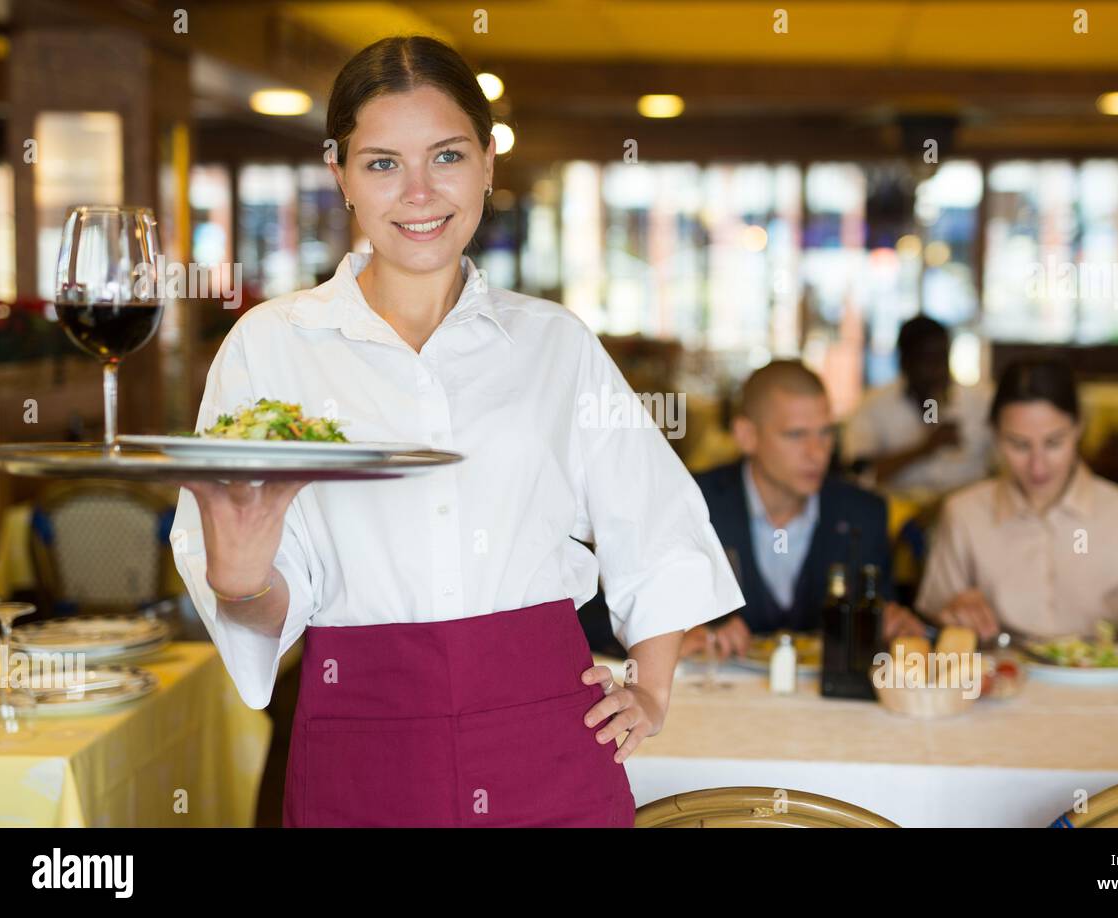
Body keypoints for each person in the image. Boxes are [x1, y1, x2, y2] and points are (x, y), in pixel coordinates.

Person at [168, 35, 742, 828]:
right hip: (359, 730)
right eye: (381, 163)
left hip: (550, 731)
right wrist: (240, 583)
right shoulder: (271, 348)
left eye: (446, 156)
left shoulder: (554, 343)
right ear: (339, 174)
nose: (418, 192)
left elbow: (655, 520)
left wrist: (651, 684)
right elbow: (264, 600)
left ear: (487, 164)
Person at [915, 359, 1118, 653]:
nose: (1038, 466)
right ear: (994, 434)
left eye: (1054, 443)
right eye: (1018, 444)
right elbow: (933, 626)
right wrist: (952, 614)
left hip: (1107, 688)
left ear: (1079, 428)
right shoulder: (963, 512)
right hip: (1001, 686)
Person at [681, 361, 927, 659]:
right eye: (796, 435)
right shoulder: (691, 504)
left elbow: (883, 621)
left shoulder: (863, 513)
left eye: (825, 433)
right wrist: (677, 638)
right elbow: (619, 619)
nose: (817, 453)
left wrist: (894, 628)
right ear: (747, 435)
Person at [842, 315, 993, 500]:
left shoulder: (979, 402)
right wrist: (925, 448)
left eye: (942, 358)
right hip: (900, 517)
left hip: (966, 513)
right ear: (905, 362)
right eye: (928, 361)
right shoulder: (874, 406)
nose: (938, 370)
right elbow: (859, 475)